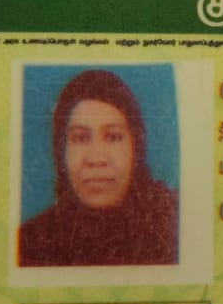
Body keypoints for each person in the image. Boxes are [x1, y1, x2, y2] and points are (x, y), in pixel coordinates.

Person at [18, 69, 179, 267]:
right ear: (61, 152)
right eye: (80, 138)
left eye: (113, 137)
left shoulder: (177, 222)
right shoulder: (29, 243)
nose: (96, 159)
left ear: (136, 146)